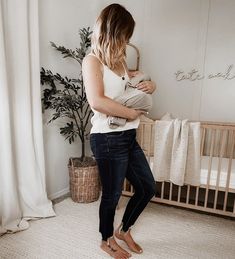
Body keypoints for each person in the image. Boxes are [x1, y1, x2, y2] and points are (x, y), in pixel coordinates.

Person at [82, 3, 157, 259]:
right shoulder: (92, 60)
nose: (126, 40)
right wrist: (131, 113)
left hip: (127, 135)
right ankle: (106, 240)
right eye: (124, 34)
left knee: (147, 187)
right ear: (113, 31)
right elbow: (97, 101)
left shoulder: (121, 60)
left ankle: (124, 229)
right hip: (106, 138)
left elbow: (130, 88)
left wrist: (150, 84)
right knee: (112, 196)